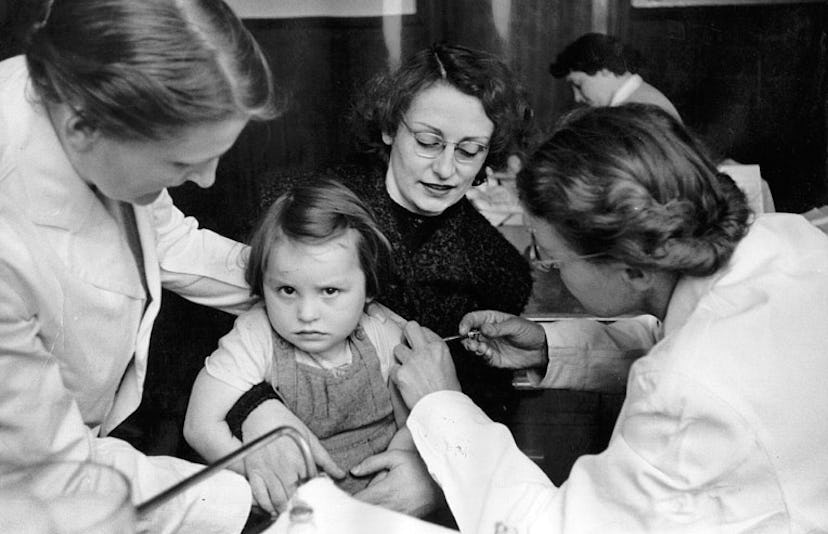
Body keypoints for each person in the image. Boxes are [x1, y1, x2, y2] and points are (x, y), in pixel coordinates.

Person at [391, 104, 828, 532]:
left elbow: (548, 528)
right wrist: (550, 347)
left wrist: (441, 405)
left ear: (634, 269)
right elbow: (688, 335)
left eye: (554, 257)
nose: (547, 267)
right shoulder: (783, 238)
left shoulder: (688, 395)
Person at [0, 0, 279, 532]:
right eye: (181, 162)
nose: (208, 180)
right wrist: (247, 502)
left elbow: (166, 240)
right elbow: (53, 474)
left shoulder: (89, 112)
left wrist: (297, 280)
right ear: (83, 128)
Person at [230, 42, 534, 518]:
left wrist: (435, 474)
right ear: (391, 127)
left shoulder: (499, 270)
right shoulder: (292, 202)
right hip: (269, 482)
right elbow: (207, 339)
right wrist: (251, 408)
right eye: (429, 142)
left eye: (469, 151)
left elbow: (488, 410)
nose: (446, 169)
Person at [184, 179, 416, 513]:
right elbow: (200, 425)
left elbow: (411, 423)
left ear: (368, 289)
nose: (306, 315)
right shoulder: (255, 335)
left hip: (377, 505)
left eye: (330, 292)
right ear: (263, 283)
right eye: (287, 291)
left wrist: (391, 474)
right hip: (292, 511)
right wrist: (256, 474)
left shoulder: (382, 333)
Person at [550, 32, 681, 121]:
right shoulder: (637, 98)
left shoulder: (638, 109)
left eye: (578, 85)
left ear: (604, 70)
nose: (576, 97)